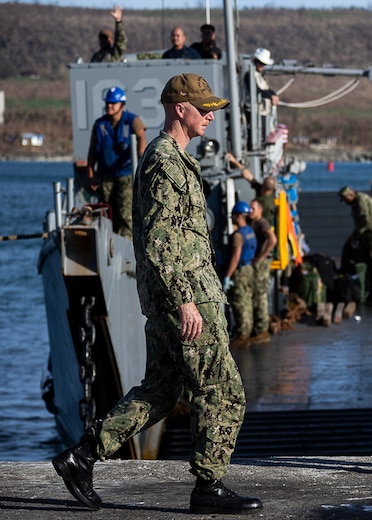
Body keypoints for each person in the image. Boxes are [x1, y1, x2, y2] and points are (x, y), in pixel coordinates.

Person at [52, 73, 262, 514]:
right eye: (202, 107)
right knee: (223, 390)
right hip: (185, 298)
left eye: (212, 108)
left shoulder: (173, 158)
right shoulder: (165, 160)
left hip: (178, 294)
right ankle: (208, 487)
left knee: (162, 390)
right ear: (178, 108)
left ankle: (82, 456)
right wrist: (186, 298)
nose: (210, 115)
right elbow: (163, 237)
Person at [86, 86, 146, 239]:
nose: (109, 106)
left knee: (126, 212)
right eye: (107, 103)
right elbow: (92, 151)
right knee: (108, 213)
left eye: (113, 103)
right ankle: (110, 242)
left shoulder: (132, 120)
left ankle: (126, 246)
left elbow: (141, 138)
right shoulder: (100, 125)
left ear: (122, 105)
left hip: (125, 175)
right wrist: (91, 174)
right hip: (105, 176)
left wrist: (140, 156)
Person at [338, 185, 372, 301]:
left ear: (351, 194)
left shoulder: (361, 200)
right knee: (369, 260)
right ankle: (370, 286)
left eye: (346, 199)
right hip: (368, 235)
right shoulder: (356, 202)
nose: (346, 202)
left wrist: (356, 235)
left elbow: (365, 221)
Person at [223, 201, 257, 349]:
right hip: (249, 268)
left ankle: (243, 335)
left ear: (237, 216)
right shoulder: (249, 231)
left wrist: (227, 276)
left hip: (241, 271)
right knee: (248, 300)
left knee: (240, 301)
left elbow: (235, 257)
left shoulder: (238, 235)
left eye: (232, 215)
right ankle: (247, 331)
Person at [248, 198, 277, 343]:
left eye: (253, 208)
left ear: (260, 209)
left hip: (262, 263)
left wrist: (262, 257)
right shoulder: (252, 222)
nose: (250, 211)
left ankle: (262, 330)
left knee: (260, 294)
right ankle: (258, 327)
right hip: (257, 262)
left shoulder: (262, 223)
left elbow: (272, 239)